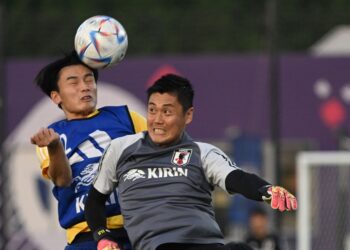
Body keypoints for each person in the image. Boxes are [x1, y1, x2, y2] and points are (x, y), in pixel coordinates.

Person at [84, 74, 298, 250]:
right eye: (152, 110)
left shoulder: (202, 152)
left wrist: (266, 190)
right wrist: (102, 236)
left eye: (167, 111)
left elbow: (236, 178)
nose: (157, 120)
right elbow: (94, 201)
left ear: (188, 115)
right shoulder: (120, 149)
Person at [30, 51, 147, 250]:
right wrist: (55, 146)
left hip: (139, 230)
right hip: (86, 237)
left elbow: (161, 153)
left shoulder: (126, 117)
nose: (85, 87)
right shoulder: (53, 136)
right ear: (56, 96)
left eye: (89, 79)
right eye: (74, 82)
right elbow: (62, 180)